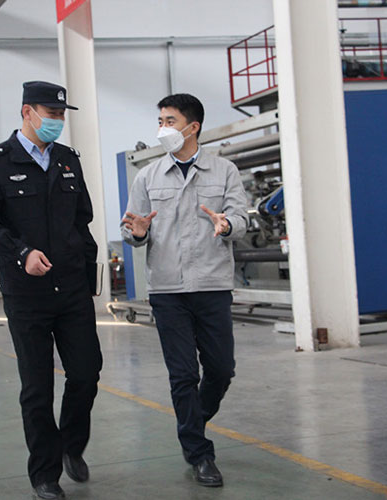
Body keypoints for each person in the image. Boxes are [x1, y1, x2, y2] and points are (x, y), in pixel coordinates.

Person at [0, 81, 102, 500]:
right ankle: (44, 473)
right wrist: (21, 252)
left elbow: (82, 219)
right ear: (27, 112)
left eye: (61, 114)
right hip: (27, 293)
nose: (57, 121)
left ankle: (71, 445)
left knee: (86, 373)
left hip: (72, 289)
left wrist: (88, 271)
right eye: (51, 113)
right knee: (37, 387)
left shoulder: (67, 160)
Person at [121, 93, 249, 487]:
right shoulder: (148, 176)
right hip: (167, 290)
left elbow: (241, 218)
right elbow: (132, 228)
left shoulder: (224, 171)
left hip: (212, 284)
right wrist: (136, 233)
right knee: (183, 375)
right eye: (160, 121)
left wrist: (227, 225)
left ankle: (192, 419)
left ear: (193, 127)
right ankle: (199, 453)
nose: (163, 129)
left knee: (221, 370)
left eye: (170, 121)